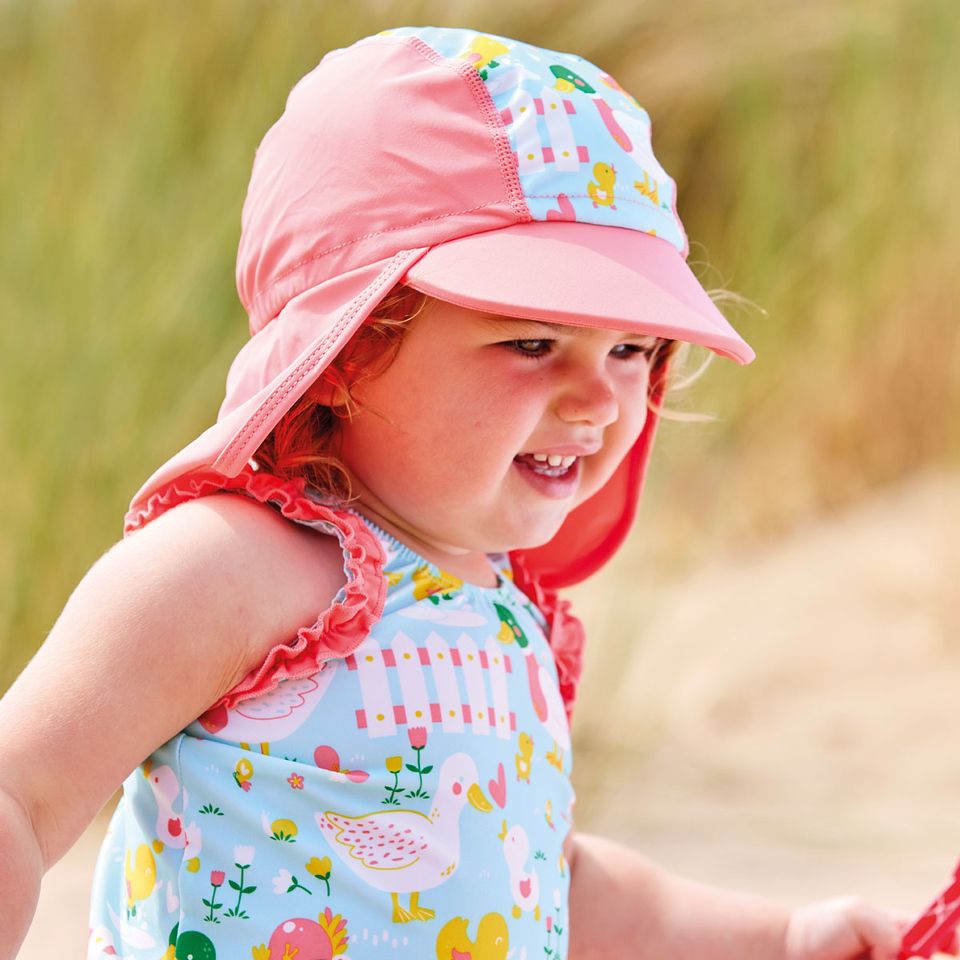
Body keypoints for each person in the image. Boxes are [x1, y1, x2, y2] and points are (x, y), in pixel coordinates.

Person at [0, 25, 918, 960]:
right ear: (349, 350)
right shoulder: (233, 568)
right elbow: (21, 796)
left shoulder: (506, 615)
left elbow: (550, 884)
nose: (600, 397)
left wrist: (788, 937)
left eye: (632, 350)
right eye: (531, 342)